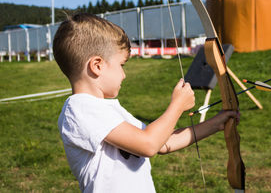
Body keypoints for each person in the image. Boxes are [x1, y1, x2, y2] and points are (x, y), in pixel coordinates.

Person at [54, 13, 239, 192]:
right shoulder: (80, 108)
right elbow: (149, 144)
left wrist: (217, 123)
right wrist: (177, 106)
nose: (124, 74)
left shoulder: (108, 109)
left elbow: (163, 143)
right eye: (121, 65)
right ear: (97, 66)